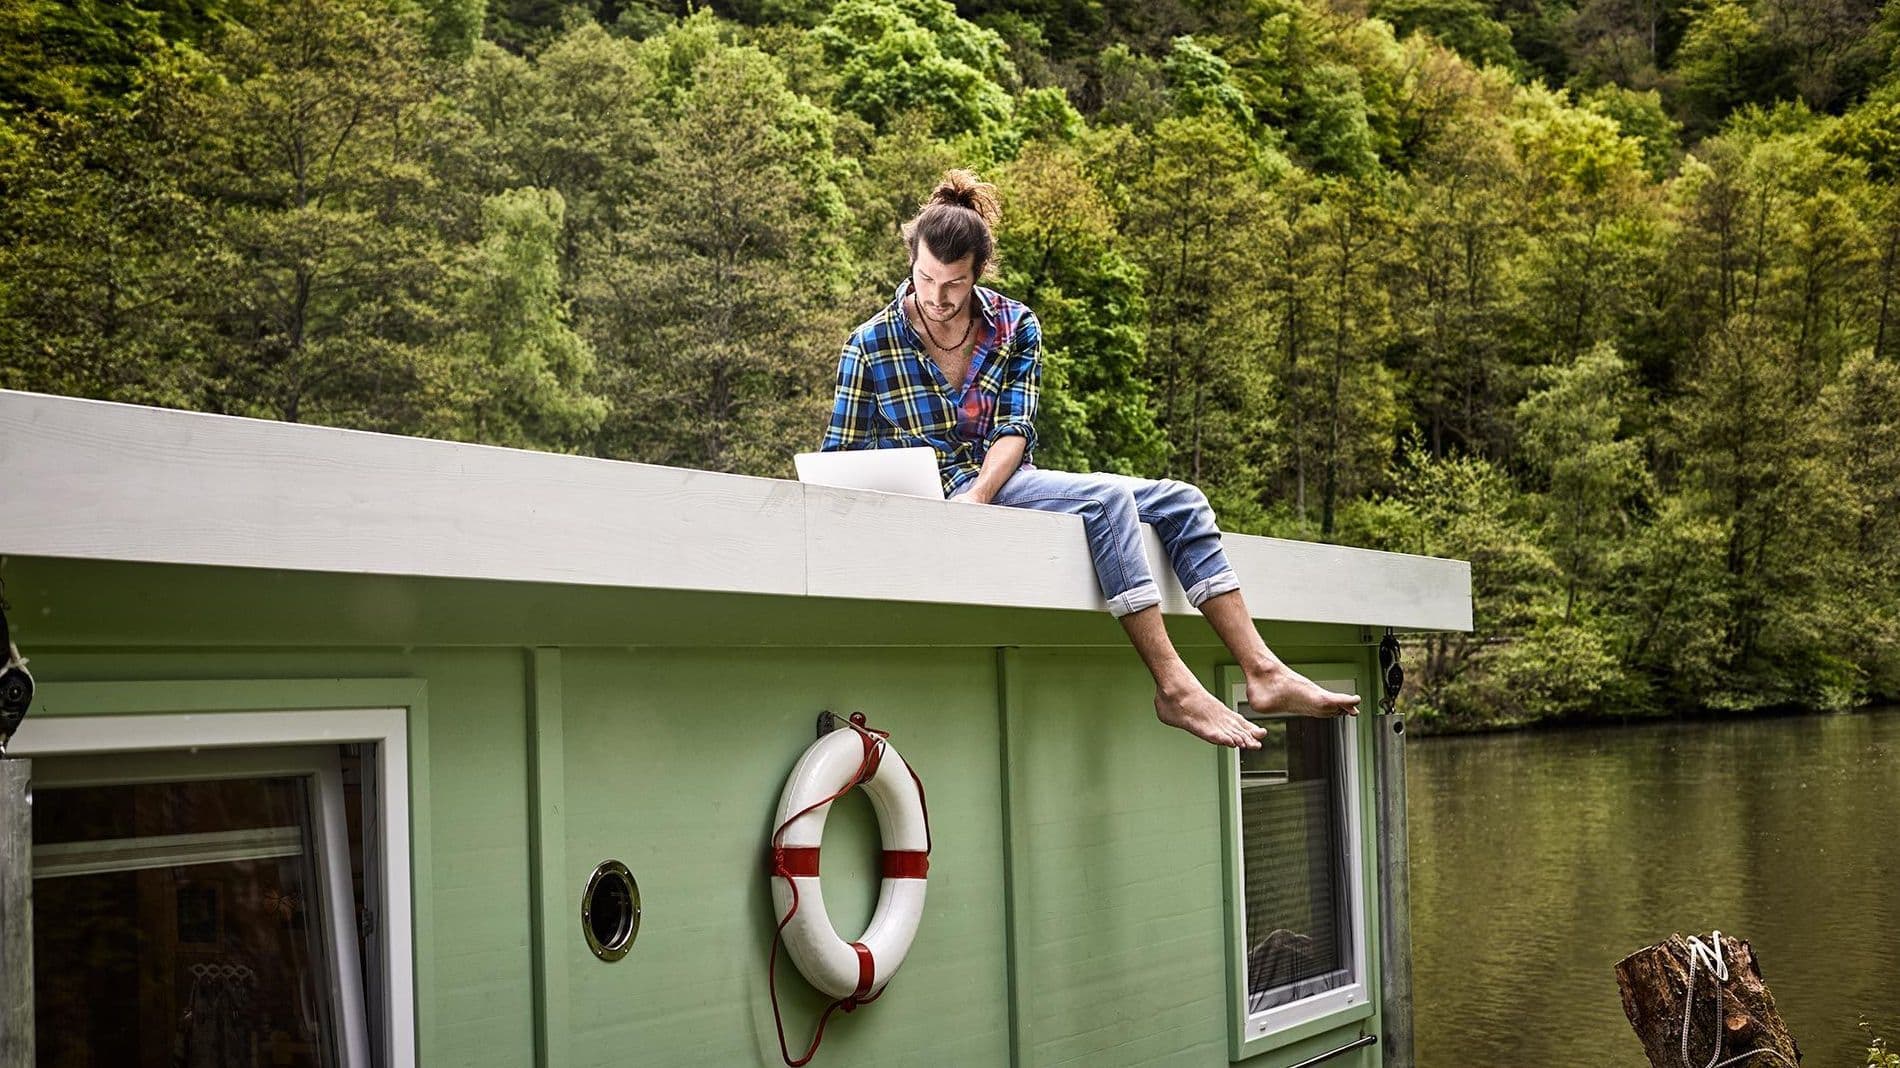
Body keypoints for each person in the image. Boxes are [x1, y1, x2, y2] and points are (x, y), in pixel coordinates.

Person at [821, 169, 1360, 749]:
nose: (936, 297)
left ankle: (1264, 671)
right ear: (912, 258)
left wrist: (979, 495)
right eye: (925, 277)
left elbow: (1015, 429)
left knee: (1184, 501)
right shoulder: (869, 342)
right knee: (1106, 502)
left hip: (998, 482)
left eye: (953, 283)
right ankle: (1173, 686)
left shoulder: (1015, 325)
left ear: (979, 272)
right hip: (934, 497)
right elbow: (838, 455)